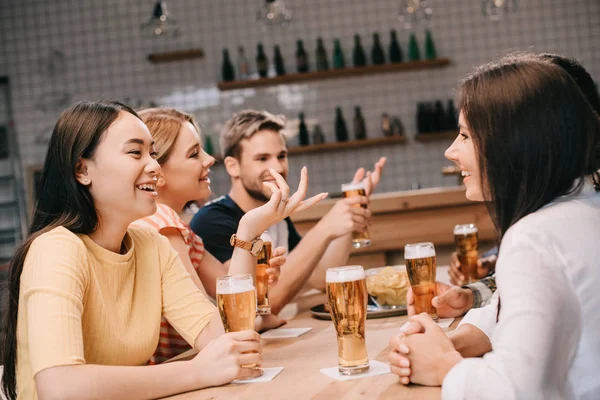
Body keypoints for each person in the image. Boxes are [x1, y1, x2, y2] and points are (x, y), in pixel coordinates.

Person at [0, 101, 323, 400]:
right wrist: (196, 371)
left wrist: (248, 232)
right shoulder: (55, 250)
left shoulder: (149, 245)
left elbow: (224, 337)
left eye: (153, 153)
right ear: (82, 170)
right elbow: (60, 387)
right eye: (135, 153)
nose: (154, 166)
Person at [389, 56, 600, 399]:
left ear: (510, 144)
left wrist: (445, 366)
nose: (450, 151)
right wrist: (454, 343)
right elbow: (529, 317)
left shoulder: (534, 237)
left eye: (464, 136)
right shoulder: (584, 209)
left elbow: (516, 391)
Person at [410, 52, 600, 321]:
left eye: (465, 135)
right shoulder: (573, 209)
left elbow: (523, 360)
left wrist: (440, 357)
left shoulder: (538, 233)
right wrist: (471, 296)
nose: (450, 151)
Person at [130, 108, 292, 364]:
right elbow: (216, 329)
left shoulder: (180, 228)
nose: (209, 160)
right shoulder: (162, 224)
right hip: (175, 375)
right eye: (194, 153)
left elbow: (233, 299)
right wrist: (249, 231)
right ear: (157, 171)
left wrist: (259, 317)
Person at [190, 110, 386, 315]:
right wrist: (325, 228)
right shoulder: (212, 221)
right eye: (262, 158)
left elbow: (317, 277)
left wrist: (350, 212)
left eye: (281, 156)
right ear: (233, 166)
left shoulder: (275, 216)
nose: (277, 167)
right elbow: (264, 303)